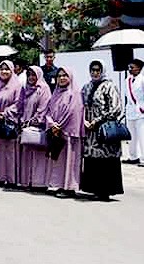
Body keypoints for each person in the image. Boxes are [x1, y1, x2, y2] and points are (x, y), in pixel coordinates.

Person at [80, 61, 124, 201]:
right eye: (92, 70)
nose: (95, 73)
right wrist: (85, 121)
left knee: (106, 161)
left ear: (102, 70)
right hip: (90, 132)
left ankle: (106, 190)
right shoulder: (86, 87)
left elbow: (116, 108)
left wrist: (97, 120)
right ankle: (93, 189)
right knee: (92, 160)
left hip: (105, 130)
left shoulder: (109, 86)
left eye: (98, 70)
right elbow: (81, 106)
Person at [45, 67, 84, 198]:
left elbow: (73, 112)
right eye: (59, 76)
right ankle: (59, 185)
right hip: (56, 132)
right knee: (59, 161)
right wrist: (51, 124)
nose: (61, 78)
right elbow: (48, 111)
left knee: (70, 160)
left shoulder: (75, 93)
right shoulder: (55, 93)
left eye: (65, 75)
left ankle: (70, 188)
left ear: (70, 77)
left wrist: (59, 125)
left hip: (69, 133)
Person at [0, 60, 22, 188]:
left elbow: (19, 103)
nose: (4, 72)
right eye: (1, 69)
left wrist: (5, 113)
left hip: (10, 122)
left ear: (12, 70)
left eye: (7, 69)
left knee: (10, 151)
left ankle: (11, 178)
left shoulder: (17, 85)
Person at [17, 66, 52, 190]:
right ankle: (27, 181)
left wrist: (32, 122)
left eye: (34, 75)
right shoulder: (25, 88)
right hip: (25, 127)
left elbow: (43, 109)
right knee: (26, 154)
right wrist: (21, 121)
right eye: (29, 75)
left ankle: (39, 183)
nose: (31, 78)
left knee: (38, 156)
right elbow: (19, 105)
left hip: (38, 127)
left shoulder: (43, 89)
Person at [124, 59, 144, 165]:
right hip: (130, 111)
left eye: (132, 67)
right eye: (129, 67)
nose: (130, 69)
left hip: (141, 111)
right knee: (131, 136)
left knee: (142, 136)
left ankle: (143, 158)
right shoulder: (127, 80)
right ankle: (133, 157)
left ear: (139, 68)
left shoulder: (142, 80)